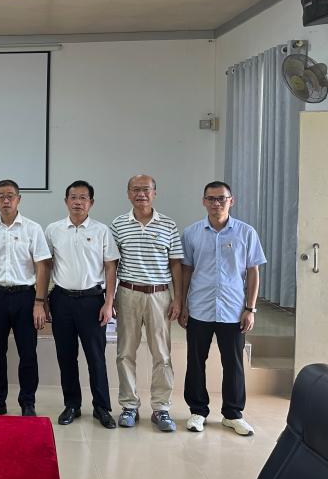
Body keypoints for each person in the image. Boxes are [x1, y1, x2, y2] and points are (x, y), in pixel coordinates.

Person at [178, 180, 266, 436]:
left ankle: (233, 414)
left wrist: (250, 308)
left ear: (231, 201)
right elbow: (186, 271)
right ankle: (197, 411)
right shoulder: (192, 233)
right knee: (196, 361)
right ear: (204, 201)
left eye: (221, 198)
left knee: (233, 363)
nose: (216, 203)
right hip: (200, 308)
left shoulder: (246, 232)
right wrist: (182, 304)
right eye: (211, 198)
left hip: (233, 310)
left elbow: (253, 272)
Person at [110, 175, 183, 432]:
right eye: (135, 189)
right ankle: (129, 405)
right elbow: (112, 265)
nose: (141, 194)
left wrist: (178, 299)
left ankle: (161, 408)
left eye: (146, 189)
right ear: (128, 193)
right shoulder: (118, 225)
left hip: (159, 295)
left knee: (161, 354)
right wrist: (111, 298)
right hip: (128, 293)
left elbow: (176, 264)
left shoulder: (168, 225)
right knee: (125, 353)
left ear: (155, 193)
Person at [45, 180, 119, 429]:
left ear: (91, 202)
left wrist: (109, 302)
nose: (78, 202)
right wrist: (42, 299)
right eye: (73, 197)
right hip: (61, 299)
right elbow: (45, 266)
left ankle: (102, 407)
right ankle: (72, 405)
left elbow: (110, 267)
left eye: (83, 198)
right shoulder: (53, 230)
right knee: (66, 356)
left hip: (92, 300)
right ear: (66, 201)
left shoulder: (101, 230)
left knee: (96, 357)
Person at [0, 179, 51, 417]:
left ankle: (27, 402)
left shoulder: (32, 228)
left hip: (25, 297)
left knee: (28, 352)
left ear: (19, 199)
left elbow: (42, 266)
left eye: (10, 195)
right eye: (1, 196)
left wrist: (39, 302)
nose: (6, 200)